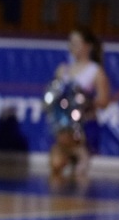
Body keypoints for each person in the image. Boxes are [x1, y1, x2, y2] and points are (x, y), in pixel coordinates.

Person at [47, 26, 110, 184]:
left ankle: (80, 158)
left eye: (76, 43)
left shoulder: (95, 71)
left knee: (79, 175)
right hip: (63, 128)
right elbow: (52, 96)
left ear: (87, 46)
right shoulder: (63, 70)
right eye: (70, 43)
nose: (72, 47)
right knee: (56, 166)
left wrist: (83, 101)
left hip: (83, 128)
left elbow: (103, 101)